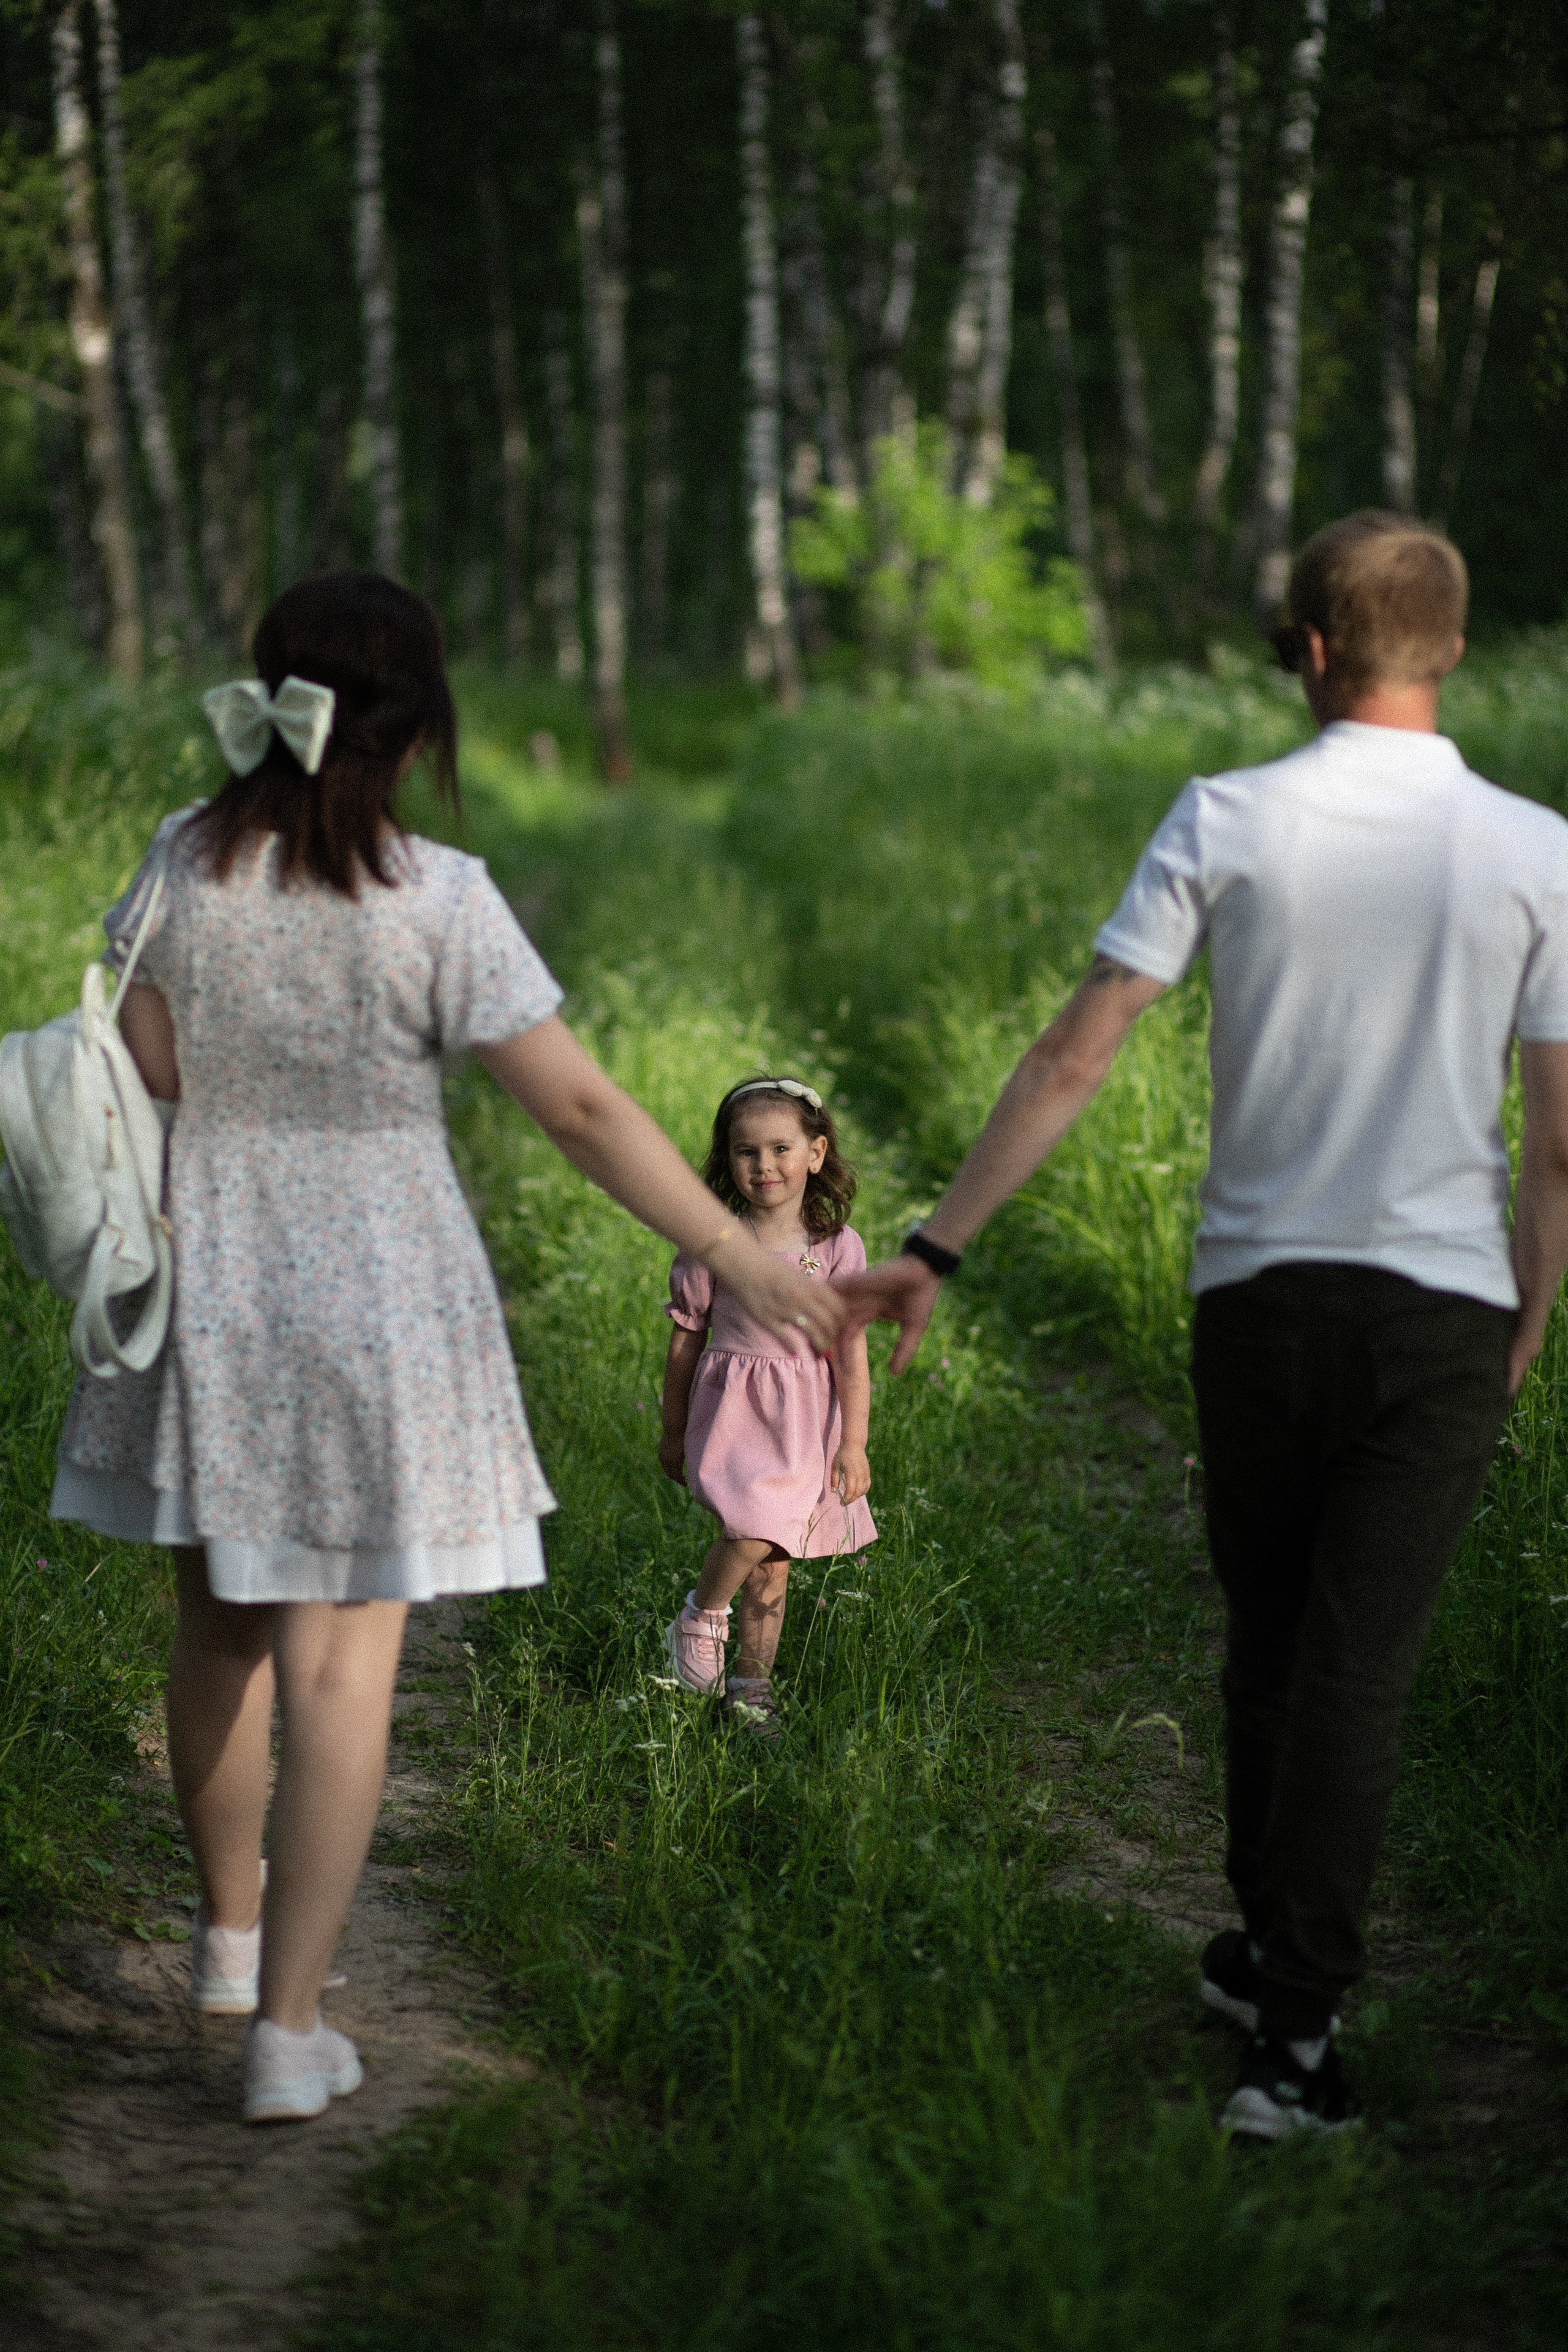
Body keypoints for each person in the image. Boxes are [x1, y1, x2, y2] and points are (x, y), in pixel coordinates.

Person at [50, 573, 841, 2125]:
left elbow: (137, 1066)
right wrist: (737, 1248)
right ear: (417, 728)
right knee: (343, 1670)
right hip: (378, 1299)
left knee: (216, 1630)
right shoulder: (437, 892)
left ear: (268, 700)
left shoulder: (183, 860)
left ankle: (222, 1943)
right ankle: (288, 2028)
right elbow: (582, 1108)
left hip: (207, 1283)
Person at [835, 512, 1568, 2138]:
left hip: (1260, 1300)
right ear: (1449, 649)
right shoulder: (1537, 847)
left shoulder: (1227, 817)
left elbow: (1077, 1054)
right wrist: (1525, 1318)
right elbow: (1564, 1140)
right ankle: (1294, 2039)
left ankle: (1267, 1966)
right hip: (1443, 1308)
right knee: (1357, 1670)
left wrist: (936, 1248)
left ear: (1310, 648)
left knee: (1273, 1637)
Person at [660, 1078, 875, 1728]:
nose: (764, 1166)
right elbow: (683, 1346)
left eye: (781, 1149)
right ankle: (702, 1615)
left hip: (808, 1424)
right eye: (745, 1152)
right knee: (753, 1528)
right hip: (738, 1415)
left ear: (815, 1153)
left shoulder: (837, 1247)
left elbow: (852, 1353)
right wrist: (673, 1432)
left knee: (775, 1565)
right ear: (728, 1161)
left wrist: (854, 1441)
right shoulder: (714, 1244)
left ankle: (750, 1690)